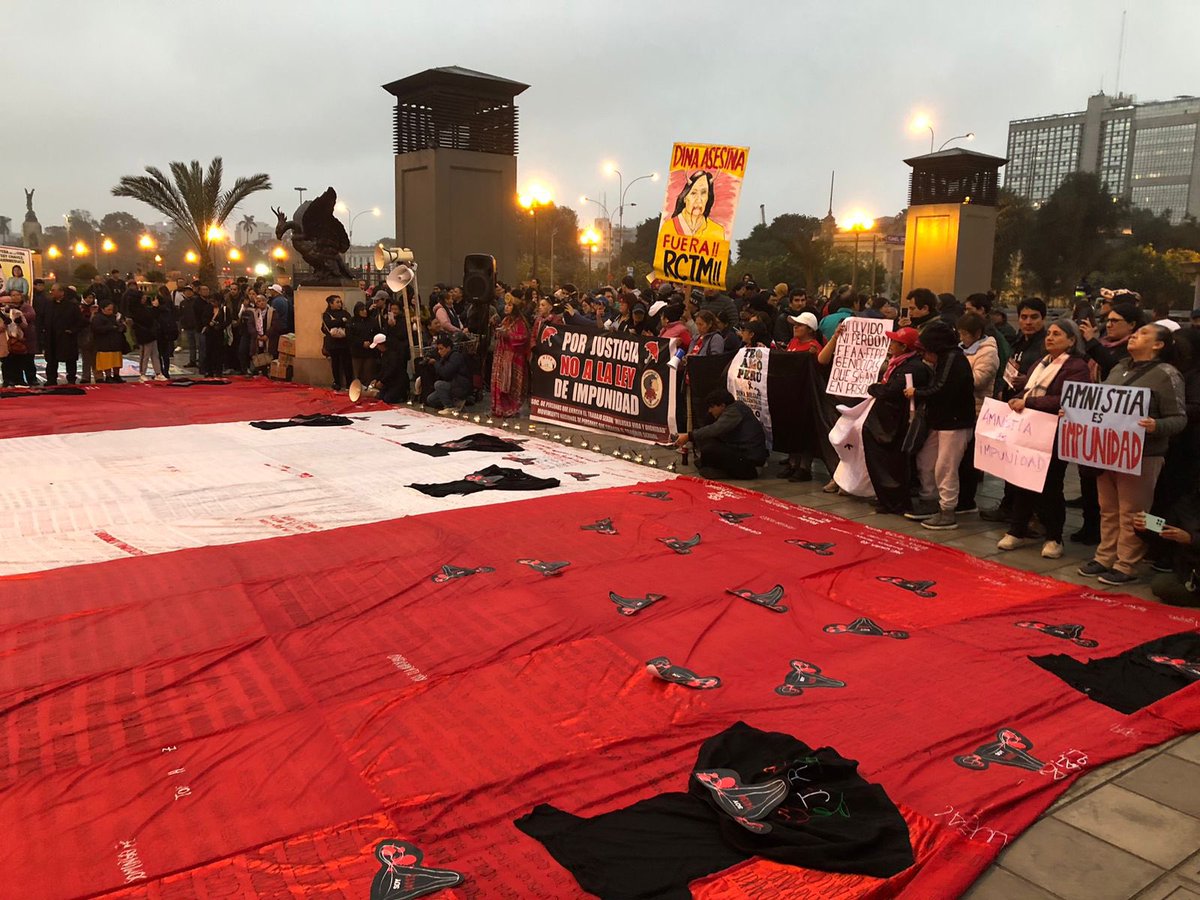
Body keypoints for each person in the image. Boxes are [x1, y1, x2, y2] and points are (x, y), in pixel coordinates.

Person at [1078, 324, 1187, 586]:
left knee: (1135, 512)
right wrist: (1076, 414)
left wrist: (1156, 426)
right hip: (1108, 452)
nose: (1135, 335)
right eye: (1135, 332)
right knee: (1108, 509)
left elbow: (1179, 419)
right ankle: (1105, 557)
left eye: (1144, 334)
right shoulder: (1118, 367)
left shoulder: (1167, 374)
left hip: (1143, 454)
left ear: (1159, 345)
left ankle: (1127, 564)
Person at [995, 319, 1092, 559]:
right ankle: (1017, 530)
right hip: (1028, 430)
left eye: (1057, 334)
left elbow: (1068, 399)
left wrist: (1028, 402)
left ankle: (1054, 537)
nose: (1049, 338)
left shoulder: (1077, 366)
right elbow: (1028, 390)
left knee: (1050, 487)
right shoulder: (1040, 362)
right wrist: (1016, 399)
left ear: (1071, 340)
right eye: (1049, 334)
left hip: (1054, 433)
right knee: (1021, 482)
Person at [901, 322, 976, 530]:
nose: (924, 356)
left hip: (954, 422)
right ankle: (931, 500)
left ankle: (946, 509)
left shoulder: (952, 359)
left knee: (945, 466)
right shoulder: (949, 358)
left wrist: (917, 392)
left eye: (925, 350)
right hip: (944, 420)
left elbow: (942, 388)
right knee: (928, 460)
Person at [864, 326, 930, 515]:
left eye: (894, 342)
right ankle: (888, 499)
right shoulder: (900, 364)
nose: (890, 344)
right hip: (888, 421)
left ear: (904, 347)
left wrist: (874, 388)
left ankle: (894, 501)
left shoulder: (911, 368)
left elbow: (892, 391)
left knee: (892, 463)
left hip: (895, 424)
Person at [956, 312, 999, 514]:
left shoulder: (987, 352)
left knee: (969, 459)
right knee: (959, 457)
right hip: (960, 408)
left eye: (965, 334)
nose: (962, 338)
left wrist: (953, 377)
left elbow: (979, 380)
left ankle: (967, 500)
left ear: (978, 333)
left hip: (977, 408)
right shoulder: (961, 349)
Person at [674, 387, 768, 479]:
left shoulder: (734, 412)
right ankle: (710, 466)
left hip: (751, 463)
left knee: (710, 448)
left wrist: (689, 436)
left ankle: (716, 470)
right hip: (742, 453)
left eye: (712, 407)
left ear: (722, 405)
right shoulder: (733, 409)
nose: (710, 410)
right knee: (707, 442)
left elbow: (715, 429)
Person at [1133, 504, 1200, 608]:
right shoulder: (1186, 503)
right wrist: (1144, 528)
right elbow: (1164, 535)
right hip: (1190, 569)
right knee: (1161, 584)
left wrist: (1191, 539)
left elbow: (1190, 538)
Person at [490, 294, 530, 418]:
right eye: (506, 305)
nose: (506, 307)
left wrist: (507, 335)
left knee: (510, 384)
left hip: (513, 358)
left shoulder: (520, 322)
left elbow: (523, 337)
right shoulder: (506, 320)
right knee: (499, 383)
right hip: (501, 356)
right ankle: (498, 408)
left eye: (509, 305)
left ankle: (509, 408)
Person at [667, 170, 727, 241]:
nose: (699, 200)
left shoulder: (717, 232)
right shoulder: (669, 227)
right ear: (685, 198)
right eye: (693, 193)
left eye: (703, 193)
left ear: (708, 198)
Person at [43, 284, 84, 385]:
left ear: (61, 292)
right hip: (51, 337)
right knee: (51, 360)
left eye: (53, 290)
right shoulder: (48, 305)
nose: (51, 292)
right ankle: (51, 379)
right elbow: (43, 319)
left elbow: (80, 321)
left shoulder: (72, 306)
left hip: (66, 337)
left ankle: (71, 379)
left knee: (70, 359)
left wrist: (72, 330)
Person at [427, 335, 472, 410]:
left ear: (448, 348)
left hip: (460, 385)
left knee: (438, 385)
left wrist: (435, 363)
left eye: (441, 349)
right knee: (431, 399)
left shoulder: (455, 356)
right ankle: (456, 403)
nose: (439, 352)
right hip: (453, 384)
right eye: (438, 349)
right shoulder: (445, 358)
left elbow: (445, 373)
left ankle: (450, 408)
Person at [321, 295, 353, 390]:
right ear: (331, 304)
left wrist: (338, 322)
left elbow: (349, 323)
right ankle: (337, 382)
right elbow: (328, 324)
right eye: (337, 302)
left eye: (340, 302)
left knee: (347, 363)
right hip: (333, 343)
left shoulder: (345, 313)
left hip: (344, 342)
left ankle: (349, 383)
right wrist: (341, 321)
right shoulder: (326, 314)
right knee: (335, 364)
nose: (340, 304)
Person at [90, 299, 126, 383]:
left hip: (116, 343)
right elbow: (96, 329)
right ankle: (108, 376)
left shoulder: (114, 317)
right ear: (102, 309)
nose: (111, 311)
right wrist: (110, 327)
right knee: (107, 361)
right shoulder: (98, 318)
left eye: (112, 309)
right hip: (104, 344)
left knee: (116, 360)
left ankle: (117, 375)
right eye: (108, 309)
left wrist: (122, 327)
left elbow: (121, 326)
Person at [347, 301, 378, 386]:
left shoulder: (372, 321)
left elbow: (376, 333)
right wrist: (361, 343)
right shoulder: (352, 322)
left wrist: (370, 342)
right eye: (362, 310)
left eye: (365, 309)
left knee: (368, 373)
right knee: (357, 373)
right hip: (357, 352)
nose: (364, 311)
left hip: (369, 352)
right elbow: (350, 337)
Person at [131, 293, 161, 381]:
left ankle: (158, 372)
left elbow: (153, 317)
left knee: (155, 354)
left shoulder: (146, 308)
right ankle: (142, 373)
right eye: (143, 298)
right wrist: (154, 308)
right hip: (143, 334)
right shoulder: (136, 309)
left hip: (151, 333)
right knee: (145, 355)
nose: (144, 299)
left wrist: (155, 308)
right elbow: (147, 319)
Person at [201, 293, 230, 378]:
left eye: (215, 301)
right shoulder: (208, 308)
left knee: (219, 352)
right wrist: (208, 323)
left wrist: (220, 326)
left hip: (219, 333)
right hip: (210, 332)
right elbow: (203, 318)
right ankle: (208, 370)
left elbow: (228, 320)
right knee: (208, 352)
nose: (213, 303)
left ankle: (218, 370)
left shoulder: (224, 309)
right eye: (212, 301)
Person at [154, 290, 178, 380]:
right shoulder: (167, 310)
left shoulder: (158, 310)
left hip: (160, 334)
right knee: (165, 354)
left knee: (159, 354)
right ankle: (166, 371)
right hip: (166, 334)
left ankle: (161, 371)